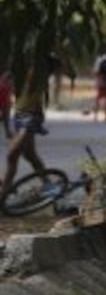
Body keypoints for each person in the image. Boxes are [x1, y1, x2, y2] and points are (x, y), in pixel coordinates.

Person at [2, 57, 51, 200]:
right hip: (19, 115)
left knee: (12, 155)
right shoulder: (14, 72)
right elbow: (5, 105)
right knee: (30, 155)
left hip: (30, 116)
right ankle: (49, 185)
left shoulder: (36, 70)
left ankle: (4, 194)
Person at [0, 71, 13, 139]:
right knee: (6, 119)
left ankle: (8, 133)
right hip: (3, 102)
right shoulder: (2, 84)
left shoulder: (9, 85)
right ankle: (8, 133)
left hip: (5, 103)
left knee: (6, 119)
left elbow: (9, 95)